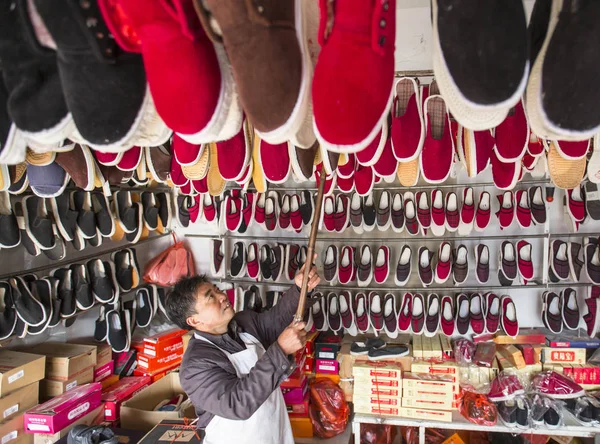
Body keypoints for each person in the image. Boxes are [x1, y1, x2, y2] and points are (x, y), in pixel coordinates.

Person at [165, 258, 320, 444]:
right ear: (194, 321)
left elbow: (277, 319)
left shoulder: (244, 322)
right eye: (210, 297)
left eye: (217, 290)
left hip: (274, 434)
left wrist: (300, 289)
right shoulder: (195, 366)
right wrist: (280, 350)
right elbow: (237, 404)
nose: (222, 296)